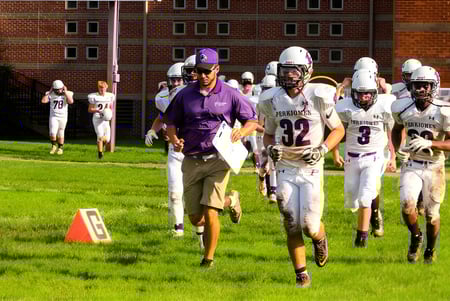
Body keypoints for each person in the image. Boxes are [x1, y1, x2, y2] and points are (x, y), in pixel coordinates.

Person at [258, 46, 345, 287]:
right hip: (285, 165)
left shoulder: (318, 95)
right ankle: (301, 274)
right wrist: (269, 149)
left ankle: (319, 237)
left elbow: (338, 129)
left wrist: (322, 149)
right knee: (290, 220)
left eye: (294, 71)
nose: (288, 77)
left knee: (309, 225)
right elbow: (268, 134)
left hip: (311, 168)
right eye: (285, 71)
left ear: (307, 72)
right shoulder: (272, 98)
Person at [165, 48, 258, 268]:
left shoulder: (230, 93)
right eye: (199, 71)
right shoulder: (184, 94)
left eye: (207, 71)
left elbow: (252, 120)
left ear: (217, 69)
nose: (203, 75)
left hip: (218, 158)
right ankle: (231, 200)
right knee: (196, 218)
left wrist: (242, 132)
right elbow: (170, 122)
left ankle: (208, 259)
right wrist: (174, 139)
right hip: (191, 159)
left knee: (210, 211)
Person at [391, 66, 449, 264]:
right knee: (407, 207)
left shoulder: (443, 111)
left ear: (434, 87)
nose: (421, 89)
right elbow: (397, 129)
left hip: (434, 166)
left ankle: (430, 250)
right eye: (417, 85)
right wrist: (398, 148)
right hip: (412, 164)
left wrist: (431, 143)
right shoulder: (404, 108)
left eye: (426, 85)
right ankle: (416, 237)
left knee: (432, 215)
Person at [332, 69, 396, 247]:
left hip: (374, 157)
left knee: (365, 197)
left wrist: (392, 155)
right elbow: (336, 129)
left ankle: (362, 237)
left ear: (374, 92)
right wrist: (335, 152)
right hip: (352, 158)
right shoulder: (344, 106)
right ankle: (372, 220)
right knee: (353, 200)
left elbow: (391, 131)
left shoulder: (385, 104)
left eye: (367, 93)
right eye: (360, 93)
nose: (364, 97)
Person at [145, 62, 187, 237]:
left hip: (193, 150)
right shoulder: (163, 98)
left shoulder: (194, 97)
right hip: (174, 150)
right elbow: (161, 117)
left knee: (196, 197)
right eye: (173, 80)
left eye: (179, 80)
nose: (176, 84)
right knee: (175, 194)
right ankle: (179, 228)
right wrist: (152, 130)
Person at [392, 58, 425, 216]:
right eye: (406, 75)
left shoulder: (424, 87)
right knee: (410, 168)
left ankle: (421, 199)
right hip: (401, 124)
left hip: (421, 129)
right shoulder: (397, 89)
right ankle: (415, 199)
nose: (409, 78)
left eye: (412, 75)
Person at [257, 74, 278, 203]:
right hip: (262, 135)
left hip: (275, 135)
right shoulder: (261, 104)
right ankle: (261, 175)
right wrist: (266, 131)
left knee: (274, 163)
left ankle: (273, 193)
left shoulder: (280, 101)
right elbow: (258, 124)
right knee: (265, 166)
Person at [41, 80, 74, 155]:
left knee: (61, 132)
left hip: (63, 116)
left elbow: (71, 101)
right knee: (52, 132)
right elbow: (43, 101)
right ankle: (53, 146)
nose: (59, 91)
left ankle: (60, 148)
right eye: (57, 89)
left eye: (60, 89)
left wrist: (65, 92)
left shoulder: (68, 93)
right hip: (54, 116)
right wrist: (49, 92)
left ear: (62, 87)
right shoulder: (51, 94)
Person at [87, 81, 115, 159]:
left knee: (107, 139)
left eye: (103, 87)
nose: (102, 89)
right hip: (97, 118)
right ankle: (100, 154)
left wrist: (108, 113)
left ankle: (100, 145)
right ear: (98, 88)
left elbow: (110, 107)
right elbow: (89, 109)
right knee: (100, 135)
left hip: (105, 119)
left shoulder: (110, 96)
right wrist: (97, 110)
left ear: (106, 87)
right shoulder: (94, 96)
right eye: (100, 87)